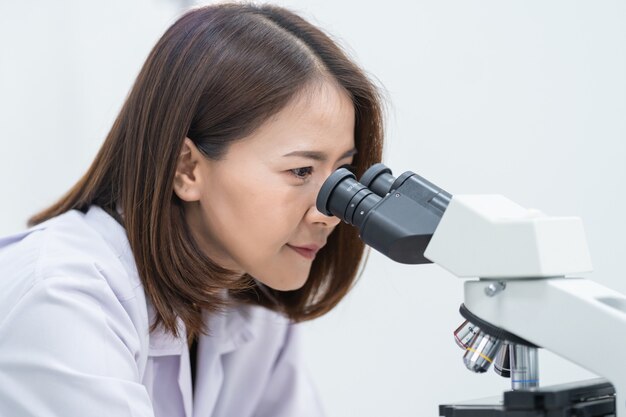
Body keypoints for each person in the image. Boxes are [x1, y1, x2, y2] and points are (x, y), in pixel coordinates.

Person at [0, 3, 384, 417]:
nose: (329, 213)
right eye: (301, 170)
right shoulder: (63, 299)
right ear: (187, 168)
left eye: (343, 173)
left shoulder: (252, 314)